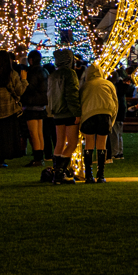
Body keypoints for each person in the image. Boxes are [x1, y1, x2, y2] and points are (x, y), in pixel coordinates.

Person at [47, 49, 82, 184]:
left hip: (57, 112)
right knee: (72, 143)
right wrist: (77, 113)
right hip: (68, 112)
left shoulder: (53, 75)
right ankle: (60, 173)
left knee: (59, 142)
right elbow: (72, 95)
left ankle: (56, 173)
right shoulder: (70, 74)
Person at [79, 65, 118, 183]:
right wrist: (111, 119)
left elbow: (80, 102)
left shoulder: (85, 86)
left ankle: (88, 175)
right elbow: (115, 103)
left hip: (88, 116)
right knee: (102, 143)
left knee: (89, 143)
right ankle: (101, 175)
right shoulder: (108, 84)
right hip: (105, 114)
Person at [0, 50, 27, 168]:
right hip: (9, 109)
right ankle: (2, 159)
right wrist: (24, 80)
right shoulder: (11, 74)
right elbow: (19, 91)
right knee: (6, 136)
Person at [20, 50, 49, 167]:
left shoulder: (32, 72)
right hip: (42, 104)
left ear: (31, 60)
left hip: (32, 104)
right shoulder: (45, 71)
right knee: (39, 132)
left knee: (33, 132)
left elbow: (29, 88)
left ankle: (37, 158)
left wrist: (23, 80)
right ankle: (40, 156)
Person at [109, 71, 132, 160]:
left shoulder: (117, 87)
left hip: (117, 112)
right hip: (121, 112)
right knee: (118, 133)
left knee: (114, 133)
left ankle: (115, 152)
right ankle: (119, 152)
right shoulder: (122, 87)